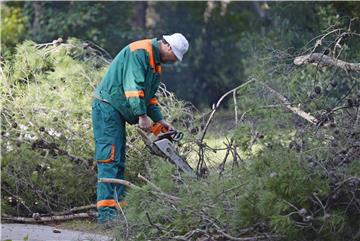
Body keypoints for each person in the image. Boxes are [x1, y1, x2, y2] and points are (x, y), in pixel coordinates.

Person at [92, 33, 189, 223]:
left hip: (117, 109)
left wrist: (160, 121)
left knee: (118, 158)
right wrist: (142, 116)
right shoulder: (140, 52)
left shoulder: (155, 65)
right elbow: (133, 88)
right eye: (175, 56)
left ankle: (117, 209)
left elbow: (149, 97)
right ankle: (106, 216)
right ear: (168, 46)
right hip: (107, 106)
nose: (174, 61)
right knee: (109, 157)